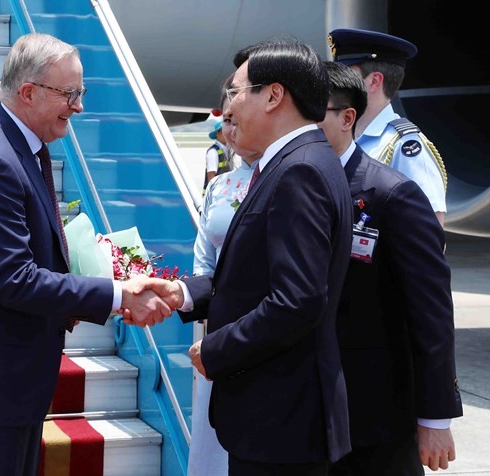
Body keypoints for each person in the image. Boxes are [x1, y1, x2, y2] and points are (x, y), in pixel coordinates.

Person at [0, 33, 170, 476]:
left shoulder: (22, 146)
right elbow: (15, 280)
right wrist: (117, 294)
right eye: (70, 94)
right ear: (28, 92)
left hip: (7, 372)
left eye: (81, 93)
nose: (79, 106)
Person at [134, 38, 354, 475]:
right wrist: (181, 293)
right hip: (278, 416)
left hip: (281, 419)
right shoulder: (291, 163)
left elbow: (297, 300)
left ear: (274, 95)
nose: (227, 108)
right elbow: (252, 278)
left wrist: (216, 350)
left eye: (235, 92)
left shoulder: (300, 171)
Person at [318, 60, 463, 475]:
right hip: (314, 401)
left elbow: (429, 298)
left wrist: (435, 415)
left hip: (377, 403)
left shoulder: (399, 166)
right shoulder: (300, 177)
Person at [188, 73, 260, 476]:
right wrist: (183, 295)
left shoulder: (289, 177)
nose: (230, 131)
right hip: (216, 332)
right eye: (226, 121)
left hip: (260, 331)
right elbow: (203, 262)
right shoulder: (221, 187)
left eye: (237, 120)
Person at [328, 28, 448, 226]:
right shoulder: (343, 137)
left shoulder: (405, 147)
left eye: (345, 76)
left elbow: (430, 238)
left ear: (374, 81)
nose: (334, 85)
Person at [203, 120, 233, 193]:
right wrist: (214, 194)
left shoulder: (227, 150)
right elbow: (211, 175)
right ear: (217, 133)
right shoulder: (213, 152)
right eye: (223, 131)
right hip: (216, 193)